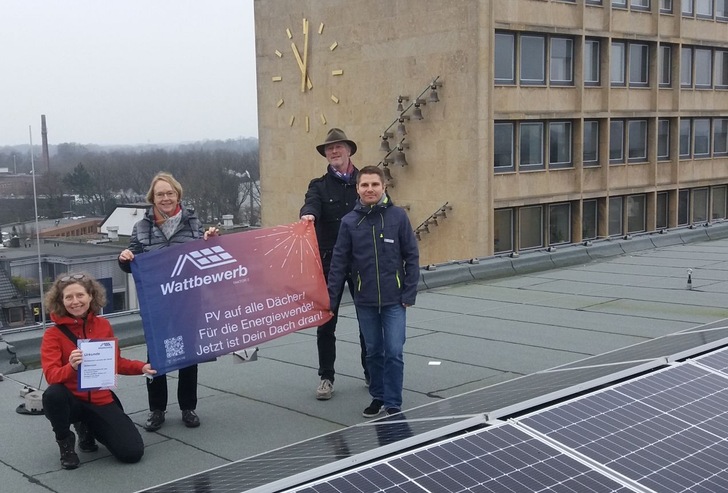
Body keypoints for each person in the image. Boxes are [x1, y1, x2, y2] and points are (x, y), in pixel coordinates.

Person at [118, 171, 218, 431]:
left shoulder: (194, 223)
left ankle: (188, 407)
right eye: (160, 194)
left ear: (178, 196)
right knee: (156, 356)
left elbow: (204, 258)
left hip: (187, 300)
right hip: (157, 304)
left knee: (188, 355)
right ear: (153, 198)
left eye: (170, 193)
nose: (166, 198)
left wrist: (211, 242)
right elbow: (132, 266)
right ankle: (157, 410)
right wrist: (124, 258)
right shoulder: (141, 227)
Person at [327, 166, 420, 418]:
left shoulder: (398, 217)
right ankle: (377, 396)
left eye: (374, 185)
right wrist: (330, 299)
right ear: (357, 189)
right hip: (365, 300)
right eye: (364, 185)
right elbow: (338, 262)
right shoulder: (349, 222)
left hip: (395, 300)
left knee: (394, 350)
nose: (370, 189)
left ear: (384, 187)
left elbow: (411, 255)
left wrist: (409, 293)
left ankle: (392, 401)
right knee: (374, 351)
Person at [41, 272, 157, 469]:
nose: (75, 301)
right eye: (68, 297)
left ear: (91, 296)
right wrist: (71, 367)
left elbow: (116, 362)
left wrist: (141, 367)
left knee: (132, 452)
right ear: (60, 301)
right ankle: (65, 444)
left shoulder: (103, 325)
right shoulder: (52, 334)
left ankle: (88, 426)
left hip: (98, 398)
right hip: (71, 400)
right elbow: (52, 376)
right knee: (53, 395)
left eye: (80, 295)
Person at [300, 128, 369, 401]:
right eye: (329, 149)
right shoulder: (318, 185)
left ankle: (371, 371)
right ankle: (326, 376)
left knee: (368, 320)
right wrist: (308, 216)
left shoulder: (366, 181)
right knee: (326, 321)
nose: (334, 152)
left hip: (363, 260)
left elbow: (385, 209)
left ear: (349, 150)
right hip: (330, 263)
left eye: (338, 147)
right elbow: (310, 205)